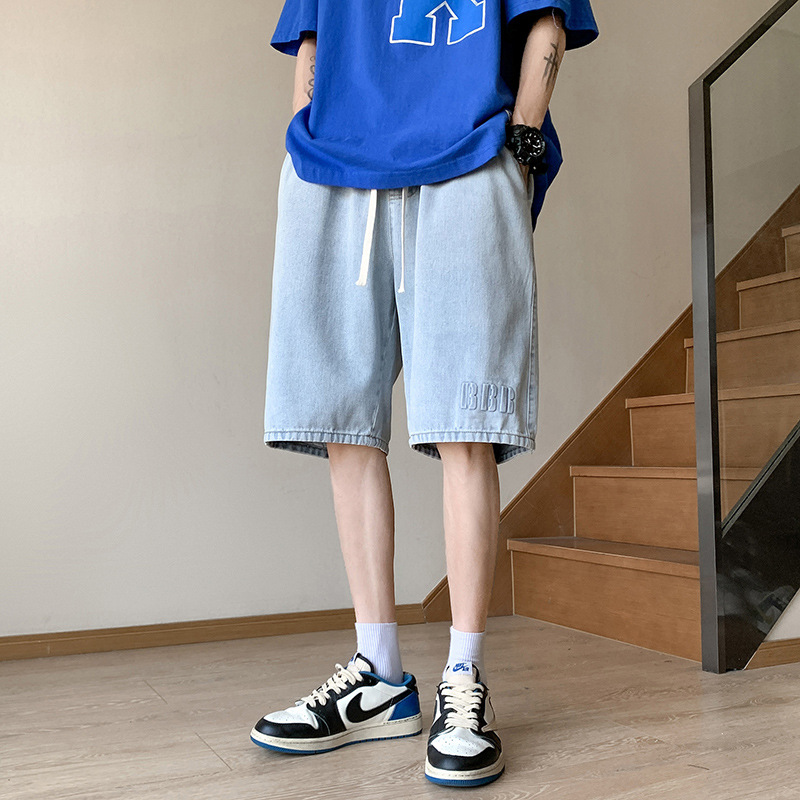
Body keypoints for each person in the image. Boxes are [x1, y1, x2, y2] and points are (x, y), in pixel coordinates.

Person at [251, 0, 599, 787]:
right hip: (332, 167)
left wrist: (520, 149)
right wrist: (307, 129)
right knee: (343, 424)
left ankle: (464, 677)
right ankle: (378, 674)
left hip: (468, 158)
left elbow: (546, 23)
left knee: (465, 424)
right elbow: (311, 35)